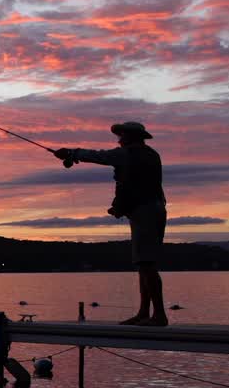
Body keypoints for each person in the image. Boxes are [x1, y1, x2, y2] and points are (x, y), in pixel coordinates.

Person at [54, 122, 168, 326]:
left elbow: (99, 156)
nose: (119, 139)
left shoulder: (127, 153)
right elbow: (137, 183)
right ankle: (144, 313)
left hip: (144, 211)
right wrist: (120, 206)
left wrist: (71, 153)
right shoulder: (152, 154)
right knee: (145, 264)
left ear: (129, 136)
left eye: (121, 135)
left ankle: (158, 315)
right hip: (155, 208)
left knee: (146, 264)